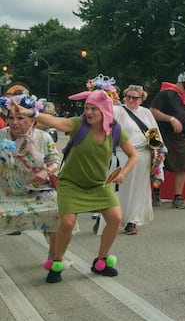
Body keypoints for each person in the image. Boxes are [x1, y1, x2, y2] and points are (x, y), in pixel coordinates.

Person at [11, 89, 138, 283]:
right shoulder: (79, 125)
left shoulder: (115, 130)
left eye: (93, 109)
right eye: (86, 108)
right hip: (71, 184)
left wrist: (123, 173)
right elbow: (56, 122)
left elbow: (133, 156)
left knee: (115, 218)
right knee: (68, 223)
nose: (88, 113)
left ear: (105, 110)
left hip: (98, 185)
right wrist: (31, 113)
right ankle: (57, 263)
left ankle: (101, 261)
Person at [0, 95, 61, 252]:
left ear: (33, 120)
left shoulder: (43, 137)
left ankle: (54, 257)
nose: (14, 122)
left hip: (36, 190)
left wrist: (46, 172)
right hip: (5, 190)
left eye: (20, 118)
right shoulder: (2, 136)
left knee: (57, 209)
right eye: (11, 118)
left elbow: (55, 161)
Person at [112, 85, 165, 235]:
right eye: (128, 97)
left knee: (138, 188)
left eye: (134, 98)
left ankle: (132, 221)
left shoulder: (146, 113)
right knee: (121, 187)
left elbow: (153, 132)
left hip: (143, 155)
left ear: (141, 99)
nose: (130, 100)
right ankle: (113, 217)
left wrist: (159, 151)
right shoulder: (119, 111)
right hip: (123, 155)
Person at [150, 72, 185, 209]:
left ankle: (178, 197)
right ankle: (156, 193)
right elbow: (152, 111)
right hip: (161, 133)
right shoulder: (166, 94)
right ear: (181, 82)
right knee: (156, 164)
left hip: (181, 137)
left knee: (183, 166)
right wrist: (171, 119)